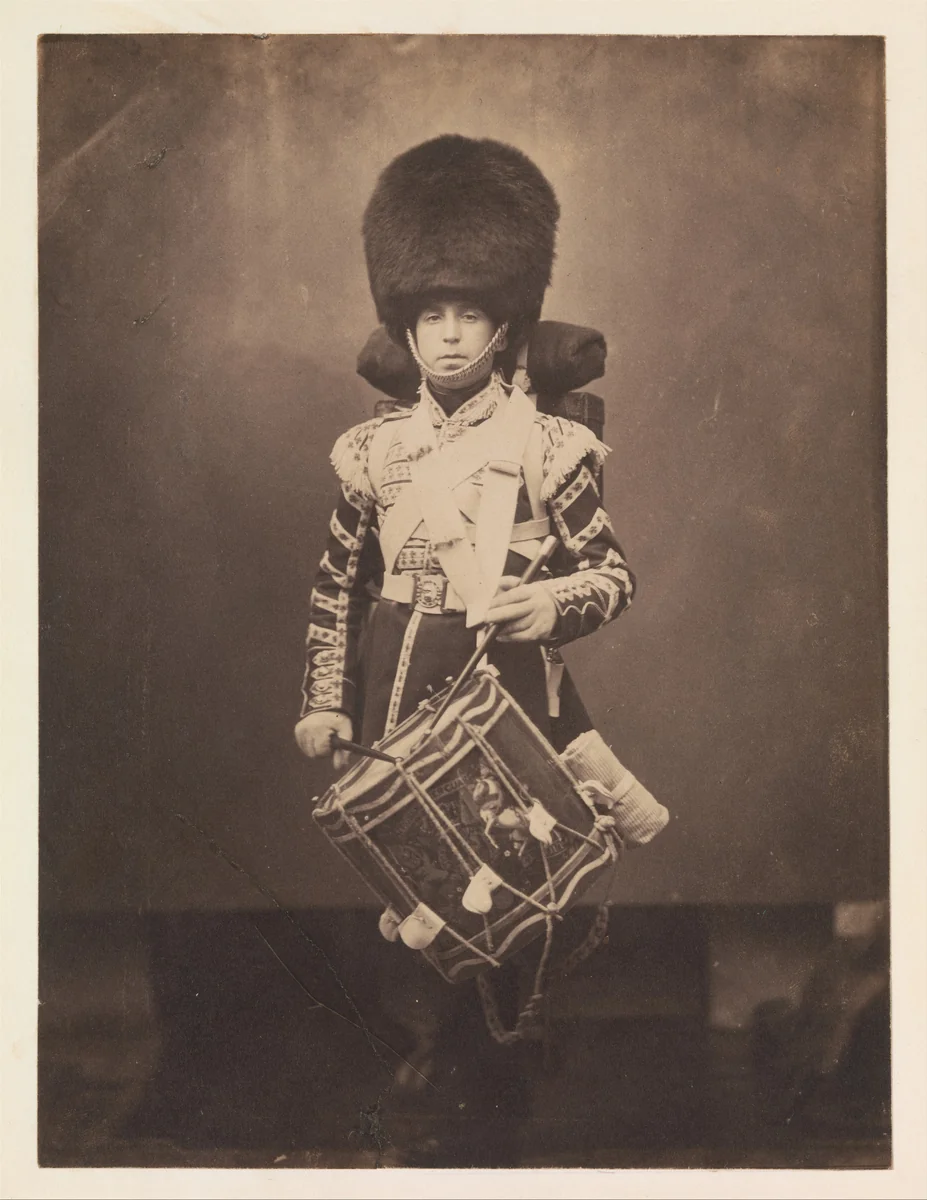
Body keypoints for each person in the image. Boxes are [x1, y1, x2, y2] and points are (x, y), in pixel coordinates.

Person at [294, 134, 636, 769]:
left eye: (470, 314)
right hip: (391, 696)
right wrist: (325, 700)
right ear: (406, 329)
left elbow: (613, 576)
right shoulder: (372, 450)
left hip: (507, 692)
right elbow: (338, 584)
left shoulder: (549, 442)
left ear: (502, 324)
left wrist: (549, 604)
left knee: (519, 856)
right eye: (431, 317)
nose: (450, 335)